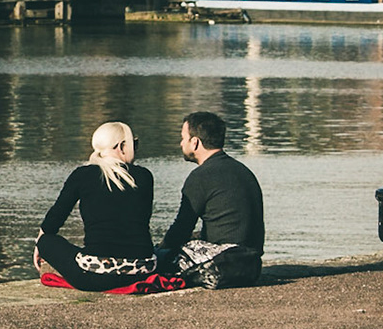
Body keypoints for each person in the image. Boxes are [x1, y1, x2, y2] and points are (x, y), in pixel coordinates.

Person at [34, 122, 160, 291]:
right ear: (122, 146)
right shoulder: (144, 176)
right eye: (134, 144)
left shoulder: (82, 175)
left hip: (95, 276)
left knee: (47, 241)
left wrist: (40, 244)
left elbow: (54, 220)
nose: (135, 149)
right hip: (142, 271)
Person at [158, 110, 264, 288]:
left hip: (223, 264)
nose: (181, 143)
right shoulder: (243, 171)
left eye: (183, 138)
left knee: (160, 256)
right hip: (251, 264)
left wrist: (160, 251)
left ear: (195, 142)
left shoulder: (200, 176)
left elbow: (182, 227)